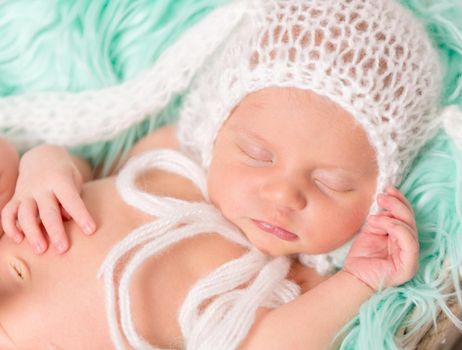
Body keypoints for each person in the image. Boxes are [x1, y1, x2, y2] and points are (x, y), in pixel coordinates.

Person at [0, 0, 448, 348]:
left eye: (331, 183)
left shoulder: (290, 279)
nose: (284, 194)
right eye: (257, 154)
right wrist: (43, 168)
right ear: (216, 126)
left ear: (377, 194)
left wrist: (360, 281)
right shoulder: (168, 156)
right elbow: (89, 169)